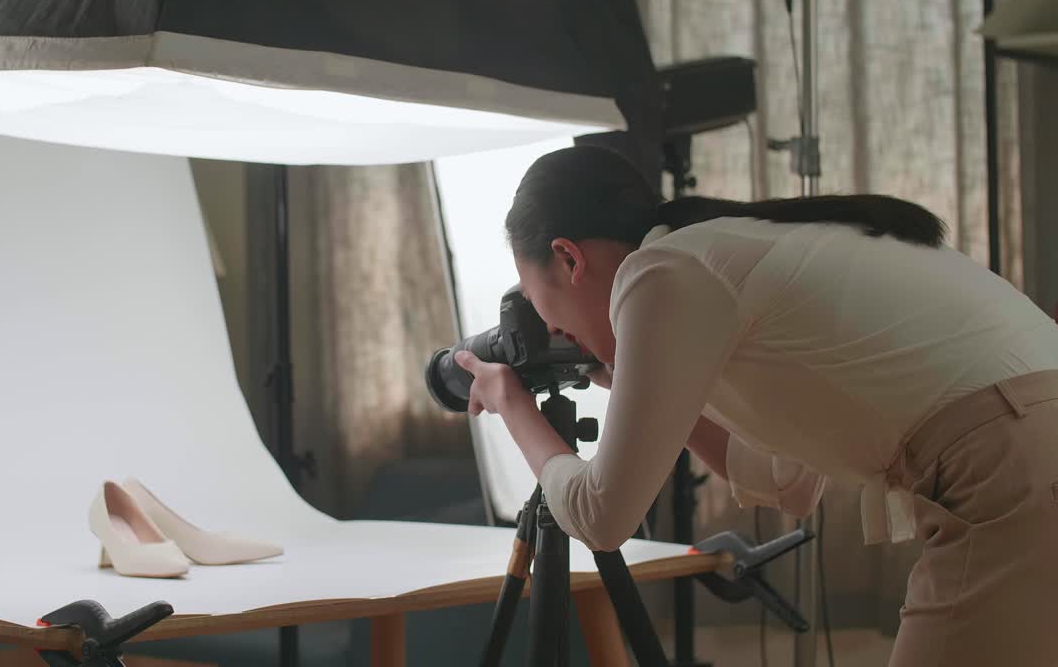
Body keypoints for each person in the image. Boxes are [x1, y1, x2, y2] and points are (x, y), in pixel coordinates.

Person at [453, 145, 1058, 666]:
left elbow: (603, 517)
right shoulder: (725, 252)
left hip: (1010, 470)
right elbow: (785, 477)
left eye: (539, 301)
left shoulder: (662, 272)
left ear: (568, 258)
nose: (559, 333)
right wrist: (661, 400)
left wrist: (512, 404)